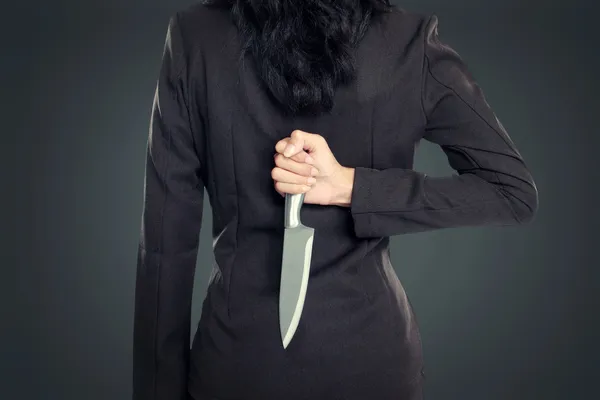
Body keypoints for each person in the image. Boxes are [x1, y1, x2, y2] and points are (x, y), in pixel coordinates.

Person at [132, 1, 539, 399]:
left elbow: (165, 250)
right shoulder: (407, 42)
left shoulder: (196, 38)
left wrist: (349, 185)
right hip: (371, 360)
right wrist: (362, 190)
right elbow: (510, 190)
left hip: (241, 360)